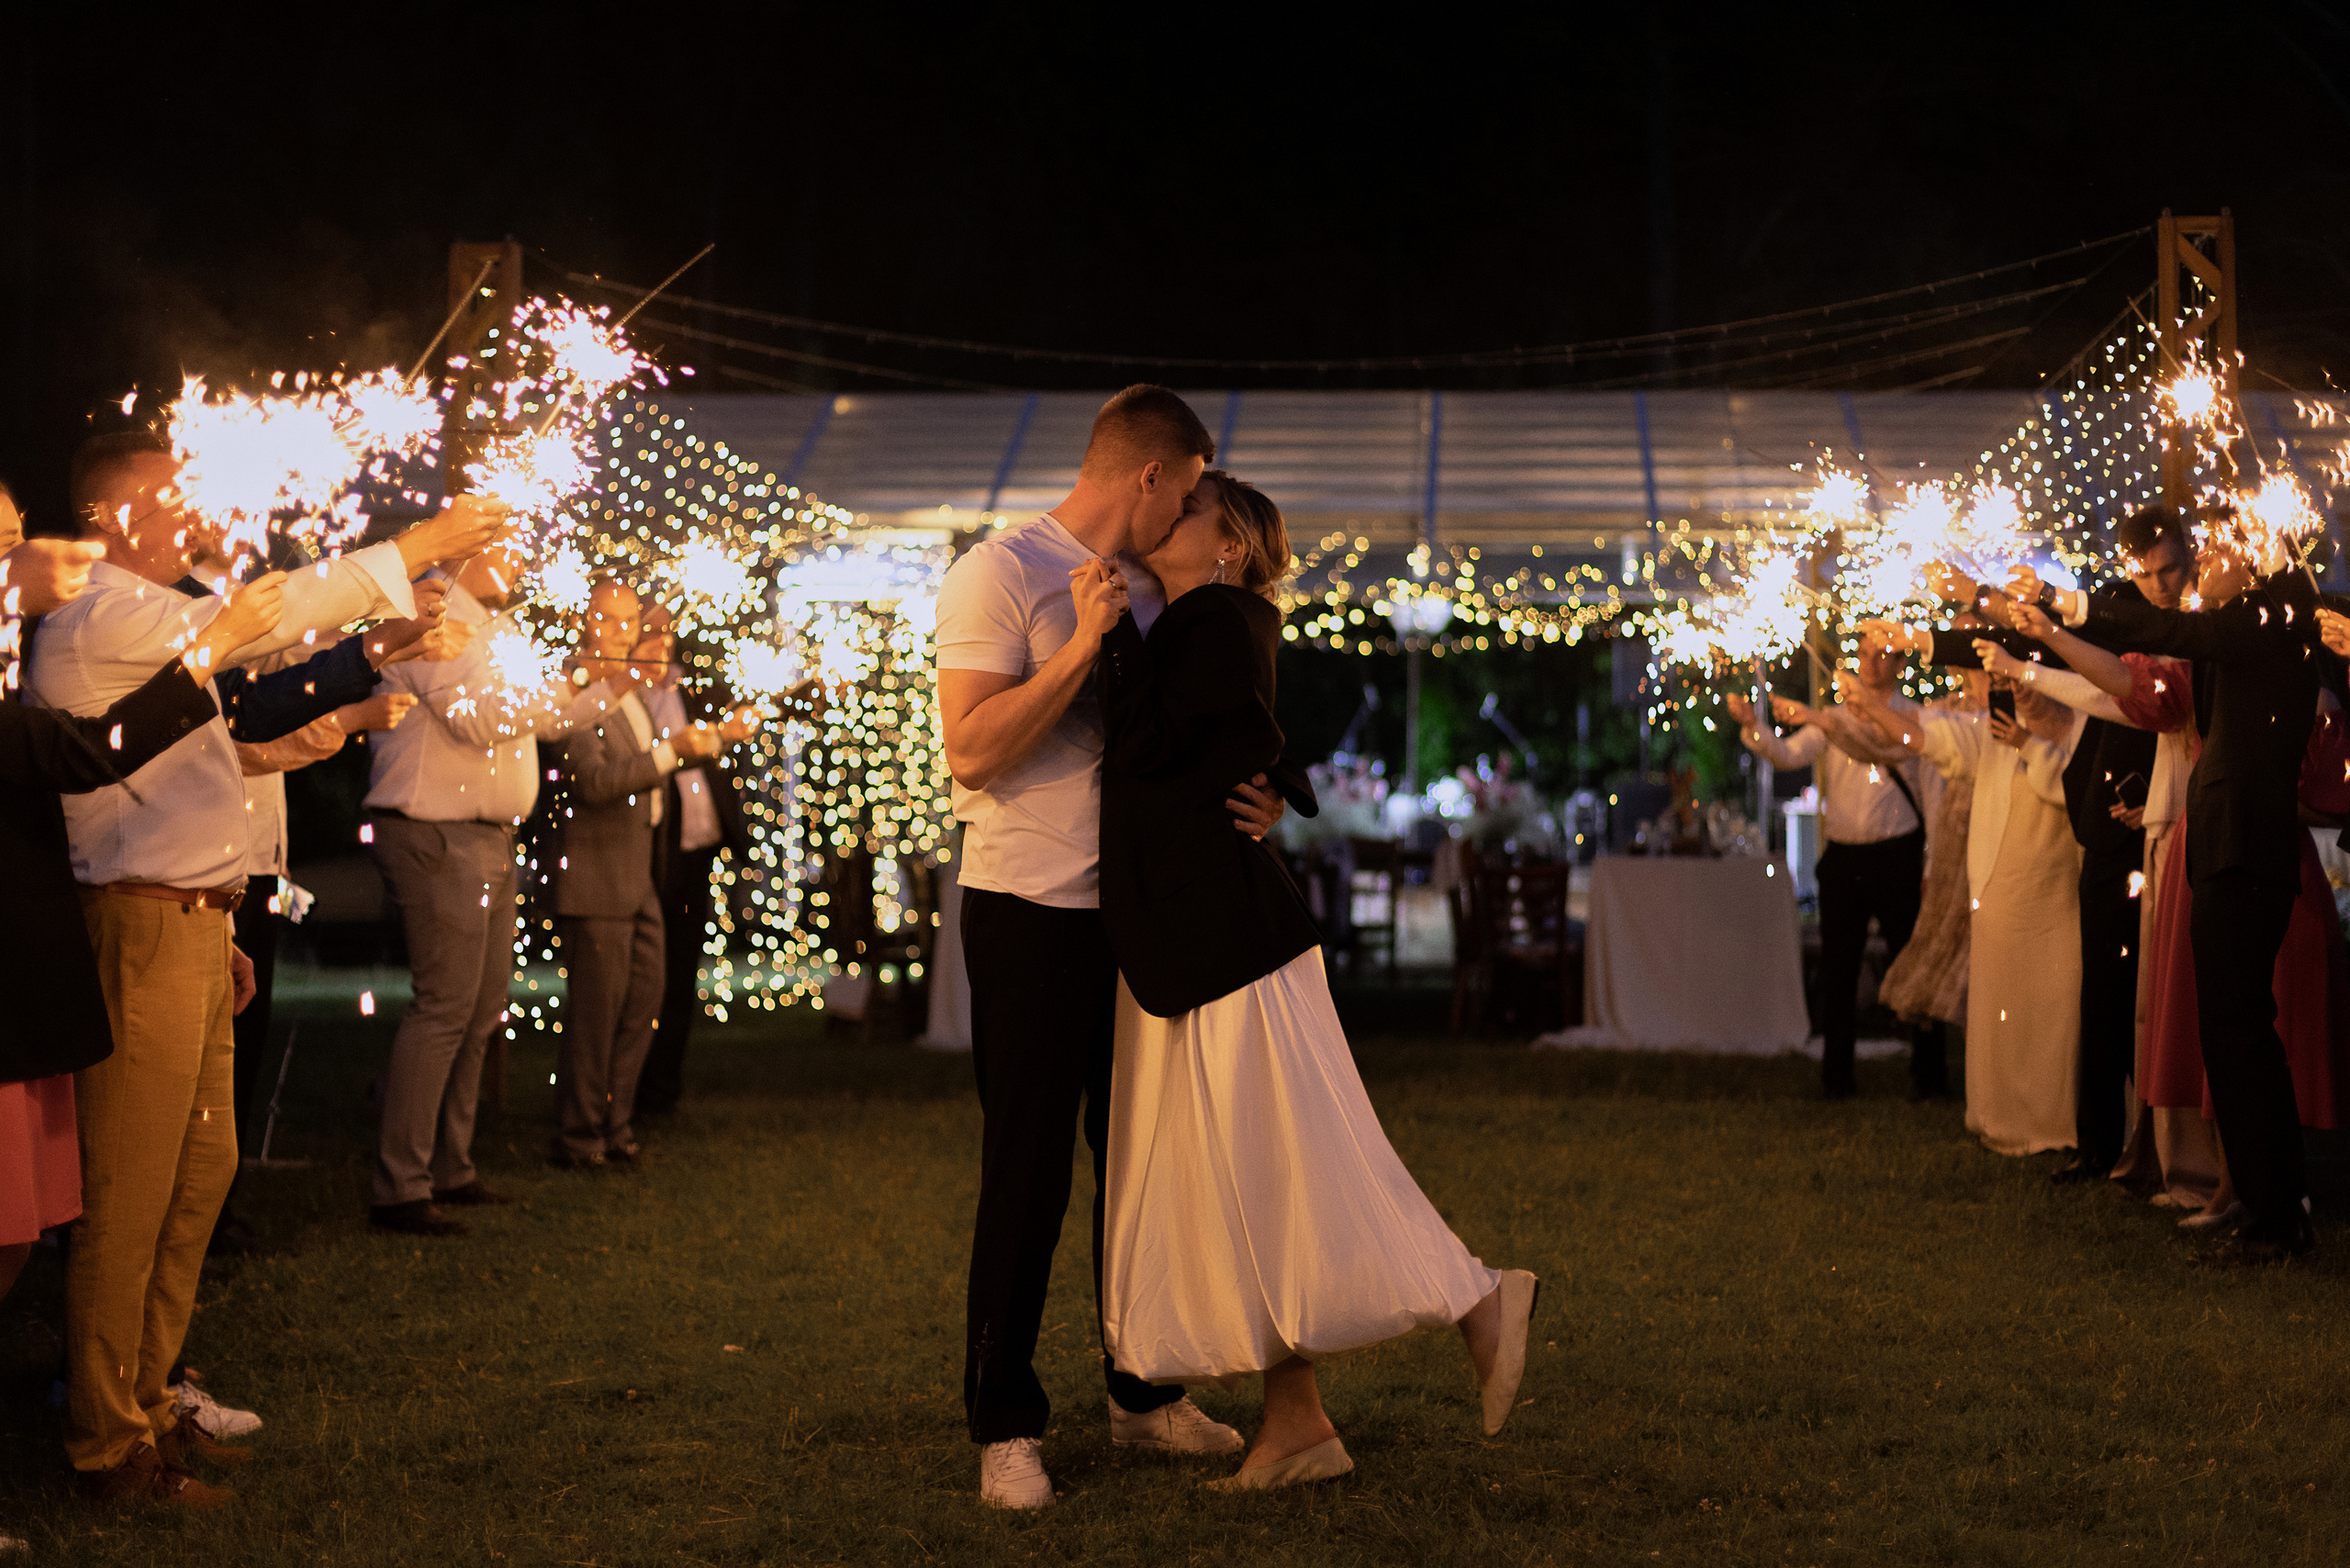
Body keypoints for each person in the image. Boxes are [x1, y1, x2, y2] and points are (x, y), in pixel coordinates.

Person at [25, 431, 508, 1500]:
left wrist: (374, 650)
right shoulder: (102, 611)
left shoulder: (163, 619)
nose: (192, 508)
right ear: (105, 519)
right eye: (168, 494)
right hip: (138, 923)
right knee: (130, 1195)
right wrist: (416, 545)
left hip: (195, 924)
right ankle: (106, 1443)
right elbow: (271, 625)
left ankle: (152, 1398)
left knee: (199, 1177)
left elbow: (237, 723)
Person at [1095, 470, 1539, 1493]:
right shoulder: (1220, 621)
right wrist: (1278, 783)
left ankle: (1477, 1298)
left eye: (1192, 509)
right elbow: (1239, 735)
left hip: (1222, 939)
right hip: (1210, 936)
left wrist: (1109, 634)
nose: (1169, 516)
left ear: (1230, 545)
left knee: (1286, 1162)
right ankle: (1295, 1421)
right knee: (1250, 1171)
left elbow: (1151, 744)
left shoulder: (1208, 618)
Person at [934, 386, 1288, 1509]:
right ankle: (1004, 1423)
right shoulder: (1001, 572)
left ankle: (1141, 1392)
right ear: (1149, 474)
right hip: (1030, 910)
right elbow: (970, 750)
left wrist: (1260, 794)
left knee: (1138, 1169)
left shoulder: (1157, 581)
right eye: (1185, 491)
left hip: (1142, 918)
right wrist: (1080, 646)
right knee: (1029, 1169)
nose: (1192, 509)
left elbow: (1194, 728)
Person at [2009, 512, 2322, 1265]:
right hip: (2226, 842)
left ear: (2251, 558)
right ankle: (2265, 1206)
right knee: (2230, 1029)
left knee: (2240, 1031)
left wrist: (2070, 602)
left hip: (2245, 845)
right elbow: (2161, 672)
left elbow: (2177, 634)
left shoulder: (2266, 616)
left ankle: (2277, 1218)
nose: (2202, 565)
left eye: (2213, 554)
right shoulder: (2243, 626)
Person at [365, 543, 588, 1230]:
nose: (522, 560)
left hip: (488, 835)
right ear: (470, 548)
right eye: (508, 544)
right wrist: (570, 680)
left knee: (483, 1008)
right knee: (445, 1007)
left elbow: (545, 719)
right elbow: (479, 718)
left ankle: (450, 1166)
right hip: (436, 830)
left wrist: (597, 687)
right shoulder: (430, 613)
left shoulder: (501, 625)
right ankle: (401, 1185)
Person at [543, 578, 746, 1170]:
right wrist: (670, 753)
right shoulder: (573, 690)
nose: (621, 632)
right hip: (597, 876)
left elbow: (645, 767)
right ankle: (580, 1136)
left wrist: (705, 741)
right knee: (596, 1018)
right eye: (608, 619)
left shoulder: (630, 691)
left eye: (629, 620)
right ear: (582, 621)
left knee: (643, 1007)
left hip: (640, 874)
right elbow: (593, 783)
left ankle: (616, 1124)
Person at [1847, 668, 2081, 1155]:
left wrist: (2027, 743)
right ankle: (1999, 1116)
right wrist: (1871, 709)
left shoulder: (2075, 727)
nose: (2011, 690)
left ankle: (2054, 1122)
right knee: (1998, 1010)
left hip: (2054, 895)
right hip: (1997, 891)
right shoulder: (1987, 731)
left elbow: (2066, 787)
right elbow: (1926, 738)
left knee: (2052, 1010)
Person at [1729, 640, 1943, 1099]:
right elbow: (1788, 755)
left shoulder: (1915, 718)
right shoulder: (1834, 716)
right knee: (1838, 969)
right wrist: (1753, 726)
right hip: (1844, 857)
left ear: (1900, 662)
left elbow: (1932, 794)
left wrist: (1932, 863)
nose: (1870, 663)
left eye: (1881, 654)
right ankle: (1837, 1076)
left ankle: (1930, 1074)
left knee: (1914, 963)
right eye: (1863, 654)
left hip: (1898, 853)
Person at [634, 601, 749, 1117]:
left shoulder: (696, 687)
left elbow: (749, 712)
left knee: (681, 974)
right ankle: (631, 1086)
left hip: (697, 852)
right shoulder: (628, 695)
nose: (662, 640)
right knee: (646, 977)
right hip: (653, 852)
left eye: (667, 630)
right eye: (651, 631)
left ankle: (662, 1089)